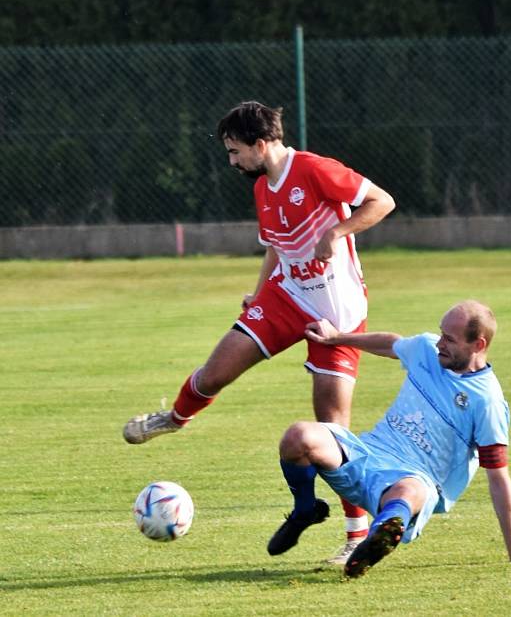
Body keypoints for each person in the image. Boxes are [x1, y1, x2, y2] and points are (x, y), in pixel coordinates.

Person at [123, 101, 395, 562]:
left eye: (235, 151)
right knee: (214, 372)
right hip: (285, 297)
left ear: (261, 144)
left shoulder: (313, 169)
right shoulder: (263, 188)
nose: (232, 161)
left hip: (337, 313)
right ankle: (175, 418)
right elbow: (276, 247)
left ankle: (354, 535)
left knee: (332, 433)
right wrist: (257, 294)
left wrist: (338, 231)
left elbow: (382, 201)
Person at [266, 300, 511, 577]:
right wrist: (336, 338)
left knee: (407, 494)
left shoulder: (487, 402)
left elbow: (498, 476)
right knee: (298, 436)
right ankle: (305, 510)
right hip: (367, 452)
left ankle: (377, 540)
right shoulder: (428, 350)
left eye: (449, 339)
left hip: (416, 478)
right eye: (441, 334)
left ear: (478, 345)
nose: (440, 344)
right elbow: (392, 344)